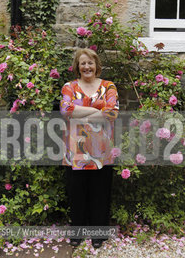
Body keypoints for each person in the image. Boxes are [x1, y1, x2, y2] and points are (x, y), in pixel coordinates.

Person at [60, 48, 119, 248]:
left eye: (90, 63)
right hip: (75, 152)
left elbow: (111, 113)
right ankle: (77, 233)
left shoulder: (108, 86)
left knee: (100, 193)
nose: (87, 67)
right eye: (83, 63)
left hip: (102, 152)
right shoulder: (69, 87)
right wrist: (96, 109)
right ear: (77, 67)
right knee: (77, 193)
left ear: (96, 66)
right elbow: (66, 110)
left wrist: (81, 114)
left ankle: (98, 234)